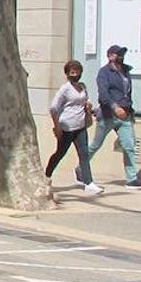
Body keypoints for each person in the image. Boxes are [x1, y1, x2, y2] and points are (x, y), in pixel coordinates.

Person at [84, 45, 141, 190]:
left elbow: (127, 94)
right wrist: (115, 107)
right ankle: (81, 168)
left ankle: (131, 179)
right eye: (118, 54)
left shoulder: (125, 71)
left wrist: (129, 112)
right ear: (110, 56)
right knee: (95, 145)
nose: (121, 56)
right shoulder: (104, 73)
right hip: (108, 115)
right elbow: (103, 94)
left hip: (125, 115)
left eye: (122, 54)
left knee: (129, 146)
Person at [48, 60, 103, 196]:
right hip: (67, 126)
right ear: (67, 74)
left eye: (77, 72)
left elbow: (86, 100)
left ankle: (88, 182)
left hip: (80, 126)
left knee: (84, 154)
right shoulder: (65, 89)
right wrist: (57, 127)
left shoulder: (82, 87)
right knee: (60, 153)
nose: (75, 74)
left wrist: (89, 106)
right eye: (72, 72)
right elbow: (53, 108)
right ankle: (47, 175)